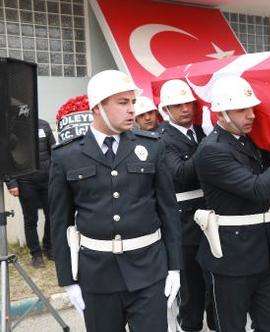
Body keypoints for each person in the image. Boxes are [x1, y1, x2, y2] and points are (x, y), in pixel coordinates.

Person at [49, 69, 182, 331]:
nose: (132, 109)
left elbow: (168, 210)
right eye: (123, 103)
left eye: (132, 101)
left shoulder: (152, 146)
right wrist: (67, 279)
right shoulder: (67, 156)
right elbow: (59, 222)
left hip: (148, 270)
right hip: (97, 275)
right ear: (98, 107)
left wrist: (175, 267)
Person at [194, 75, 270, 331]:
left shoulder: (253, 141)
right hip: (232, 254)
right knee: (231, 325)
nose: (251, 114)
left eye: (252, 108)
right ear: (222, 113)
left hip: (266, 250)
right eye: (242, 109)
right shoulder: (211, 150)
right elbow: (258, 189)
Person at [157, 79, 216, 332]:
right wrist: (212, 141)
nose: (185, 109)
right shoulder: (162, 139)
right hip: (185, 222)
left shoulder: (202, 132)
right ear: (166, 110)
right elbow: (181, 173)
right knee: (191, 288)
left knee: (214, 285)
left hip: (211, 217)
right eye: (177, 105)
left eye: (188, 103)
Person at [6, 118, 55, 268]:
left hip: (47, 179)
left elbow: (53, 150)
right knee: (30, 219)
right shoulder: (12, 128)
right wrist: (11, 182)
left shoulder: (44, 125)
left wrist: (57, 175)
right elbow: (7, 157)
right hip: (25, 181)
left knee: (52, 215)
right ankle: (36, 254)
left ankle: (49, 248)